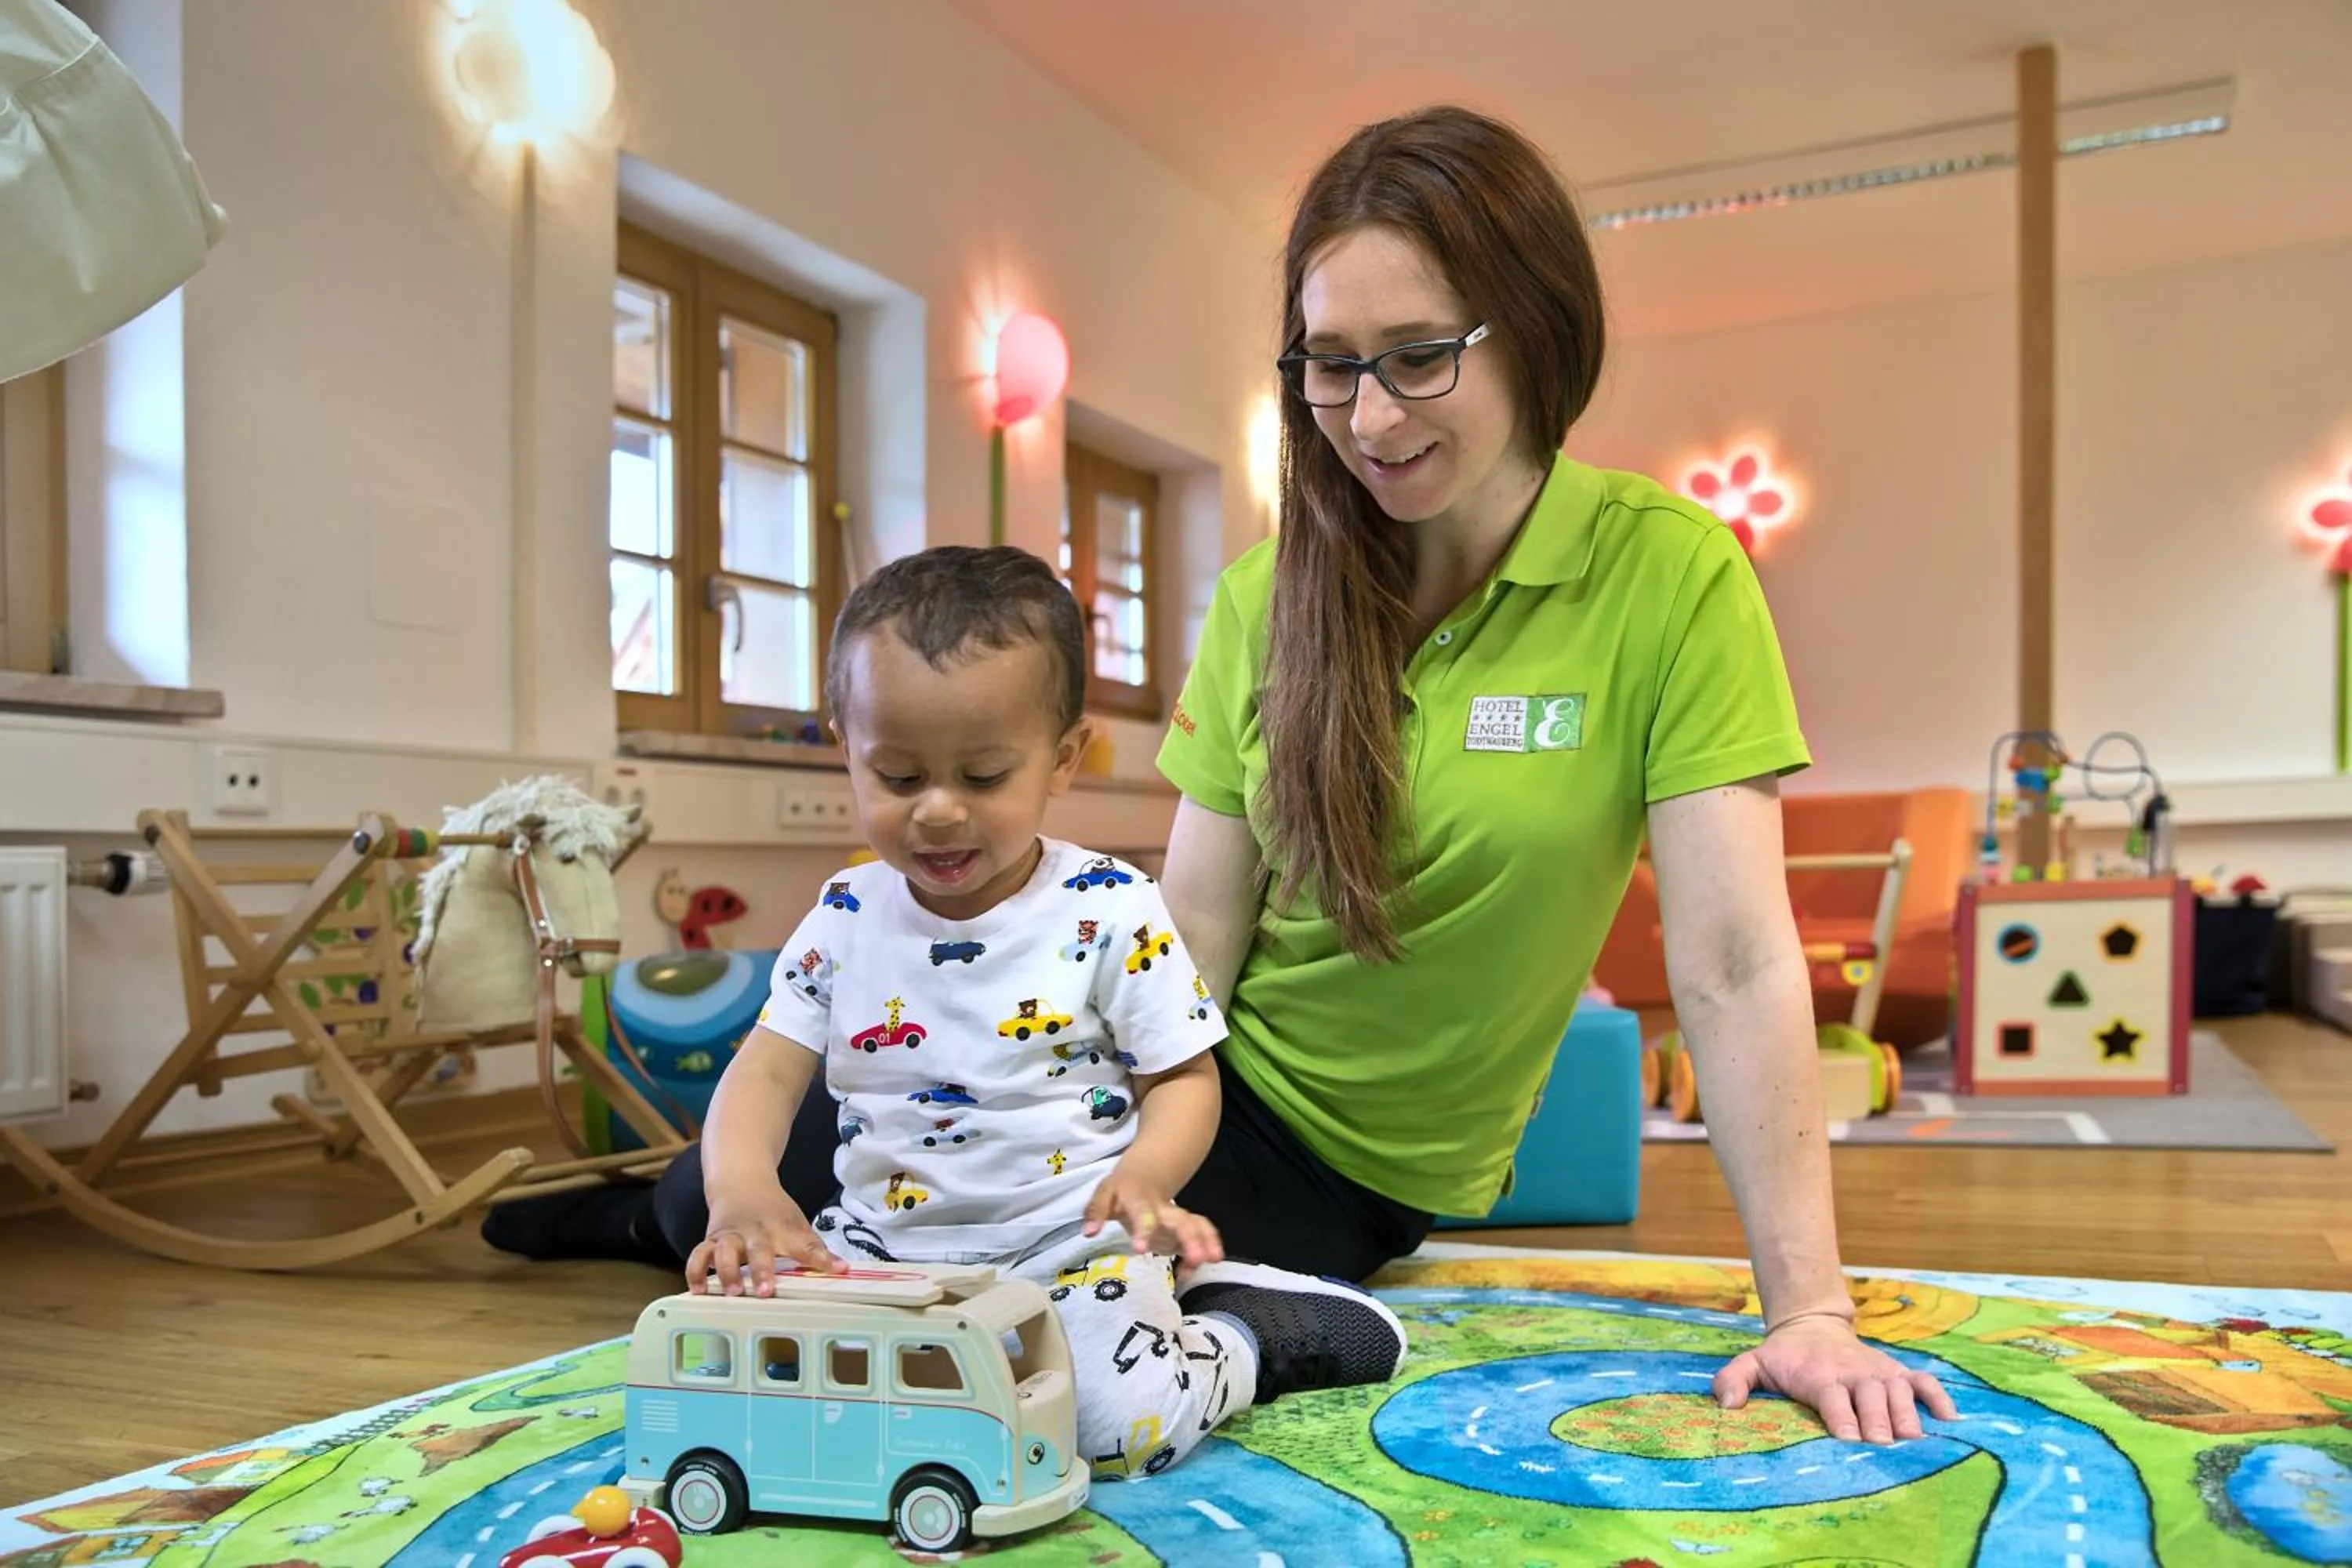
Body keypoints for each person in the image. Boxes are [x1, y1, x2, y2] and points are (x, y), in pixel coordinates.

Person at [488, 101, 1954, 1446]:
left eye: (1420, 357)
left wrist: (1810, 1311)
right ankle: (641, 1210)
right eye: (1332, 365)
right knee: (754, 1186)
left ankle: (682, 1211)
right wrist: (1030, 1082)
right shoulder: (1271, 596)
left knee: (1012, 1327)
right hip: (1156, 1075)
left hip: (1343, 1161)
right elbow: (1189, 932)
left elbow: (1737, 960)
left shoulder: (1668, 577)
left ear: (1537, 331)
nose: (1372, 419)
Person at [683, 543, 1407, 1482]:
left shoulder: (1110, 908)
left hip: (1070, 1246)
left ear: (1062, 757)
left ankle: (1245, 1332)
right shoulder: (845, 913)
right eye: (898, 776)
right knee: (763, 1392)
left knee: (1117, 1428)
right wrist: (742, 1187)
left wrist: (1148, 1175)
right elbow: (767, 1068)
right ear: (846, 748)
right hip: (879, 1245)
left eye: (983, 776)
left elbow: (1184, 1076)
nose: (939, 811)